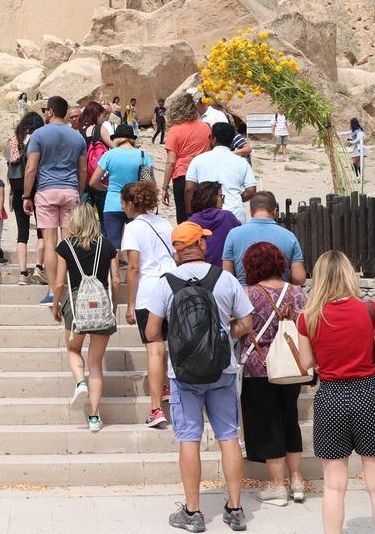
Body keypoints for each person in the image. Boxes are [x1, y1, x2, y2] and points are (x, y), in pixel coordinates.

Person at [145, 221, 254, 533]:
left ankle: (192, 513)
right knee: (228, 437)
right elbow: (246, 322)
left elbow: (152, 332)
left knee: (189, 439)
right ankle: (235, 509)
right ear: (201, 245)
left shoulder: (165, 283)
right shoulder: (225, 279)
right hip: (222, 369)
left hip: (183, 375)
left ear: (177, 251)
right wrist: (223, 335)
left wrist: (181, 340)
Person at [294, 251, 375, 534]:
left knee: (333, 485)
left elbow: (307, 364)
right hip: (368, 394)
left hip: (330, 396)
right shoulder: (369, 309)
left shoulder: (308, 317)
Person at [239, 242, 308, 507]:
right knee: (289, 418)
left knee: (268, 424)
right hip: (291, 365)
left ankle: (278, 486)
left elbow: (241, 327)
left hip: (259, 366)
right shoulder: (297, 293)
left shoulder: (248, 294)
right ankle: (298, 480)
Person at [50, 203, 120, 433]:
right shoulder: (108, 245)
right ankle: (93, 418)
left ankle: (80, 382)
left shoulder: (65, 246)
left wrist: (56, 305)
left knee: (73, 350)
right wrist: (114, 306)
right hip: (101, 305)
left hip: (76, 305)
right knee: (96, 364)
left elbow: (60, 282)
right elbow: (116, 280)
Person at [120, 180, 176, 428]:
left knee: (154, 347)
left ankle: (156, 409)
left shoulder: (133, 228)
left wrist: (130, 303)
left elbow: (134, 266)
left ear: (130, 203)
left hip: (148, 290)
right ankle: (167, 387)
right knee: (168, 344)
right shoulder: (164, 223)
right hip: (171, 286)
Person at [23, 96, 88, 295]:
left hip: (46, 191)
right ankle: (68, 286)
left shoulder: (39, 135)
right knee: (68, 242)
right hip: (70, 190)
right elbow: (83, 171)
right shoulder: (77, 137)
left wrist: (26, 195)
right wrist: (79, 191)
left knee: (50, 243)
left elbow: (31, 168)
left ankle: (53, 291)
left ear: (50, 111)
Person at [221, 191, 307, 286]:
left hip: (244, 296)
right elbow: (299, 278)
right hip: (280, 296)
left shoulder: (233, 234)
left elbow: (227, 275)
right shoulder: (289, 236)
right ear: (275, 211)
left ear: (250, 211)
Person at [90, 123, 151, 248]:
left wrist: (106, 189)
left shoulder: (109, 155)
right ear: (132, 139)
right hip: (135, 202)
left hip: (112, 202)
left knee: (113, 246)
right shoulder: (143, 155)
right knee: (136, 245)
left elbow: (93, 182)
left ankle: (114, 268)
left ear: (117, 139)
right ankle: (133, 267)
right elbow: (148, 182)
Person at [184, 122, 257, 223]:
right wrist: (237, 198)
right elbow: (251, 191)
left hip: (206, 216)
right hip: (234, 215)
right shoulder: (242, 162)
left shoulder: (198, 160)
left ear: (213, 139)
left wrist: (189, 213)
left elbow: (189, 188)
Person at [9, 111, 47, 285]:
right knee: (42, 231)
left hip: (18, 191)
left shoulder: (13, 141)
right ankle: (39, 267)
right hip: (37, 189)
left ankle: (23, 273)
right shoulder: (38, 141)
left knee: (21, 233)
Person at [162, 92, 212, 223]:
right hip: (204, 177)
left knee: (184, 219)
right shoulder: (206, 128)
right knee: (203, 217)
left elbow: (171, 162)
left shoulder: (175, 130)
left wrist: (164, 187)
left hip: (183, 176)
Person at [187, 182, 240, 269]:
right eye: (221, 196)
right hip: (225, 272)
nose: (223, 200)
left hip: (198, 274)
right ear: (212, 197)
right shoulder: (227, 217)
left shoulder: (190, 222)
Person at [78, 102, 115, 218]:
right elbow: (114, 147)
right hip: (99, 178)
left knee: (85, 218)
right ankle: (103, 236)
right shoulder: (99, 129)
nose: (103, 120)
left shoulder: (80, 131)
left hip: (84, 178)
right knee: (104, 217)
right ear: (97, 114)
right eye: (102, 116)